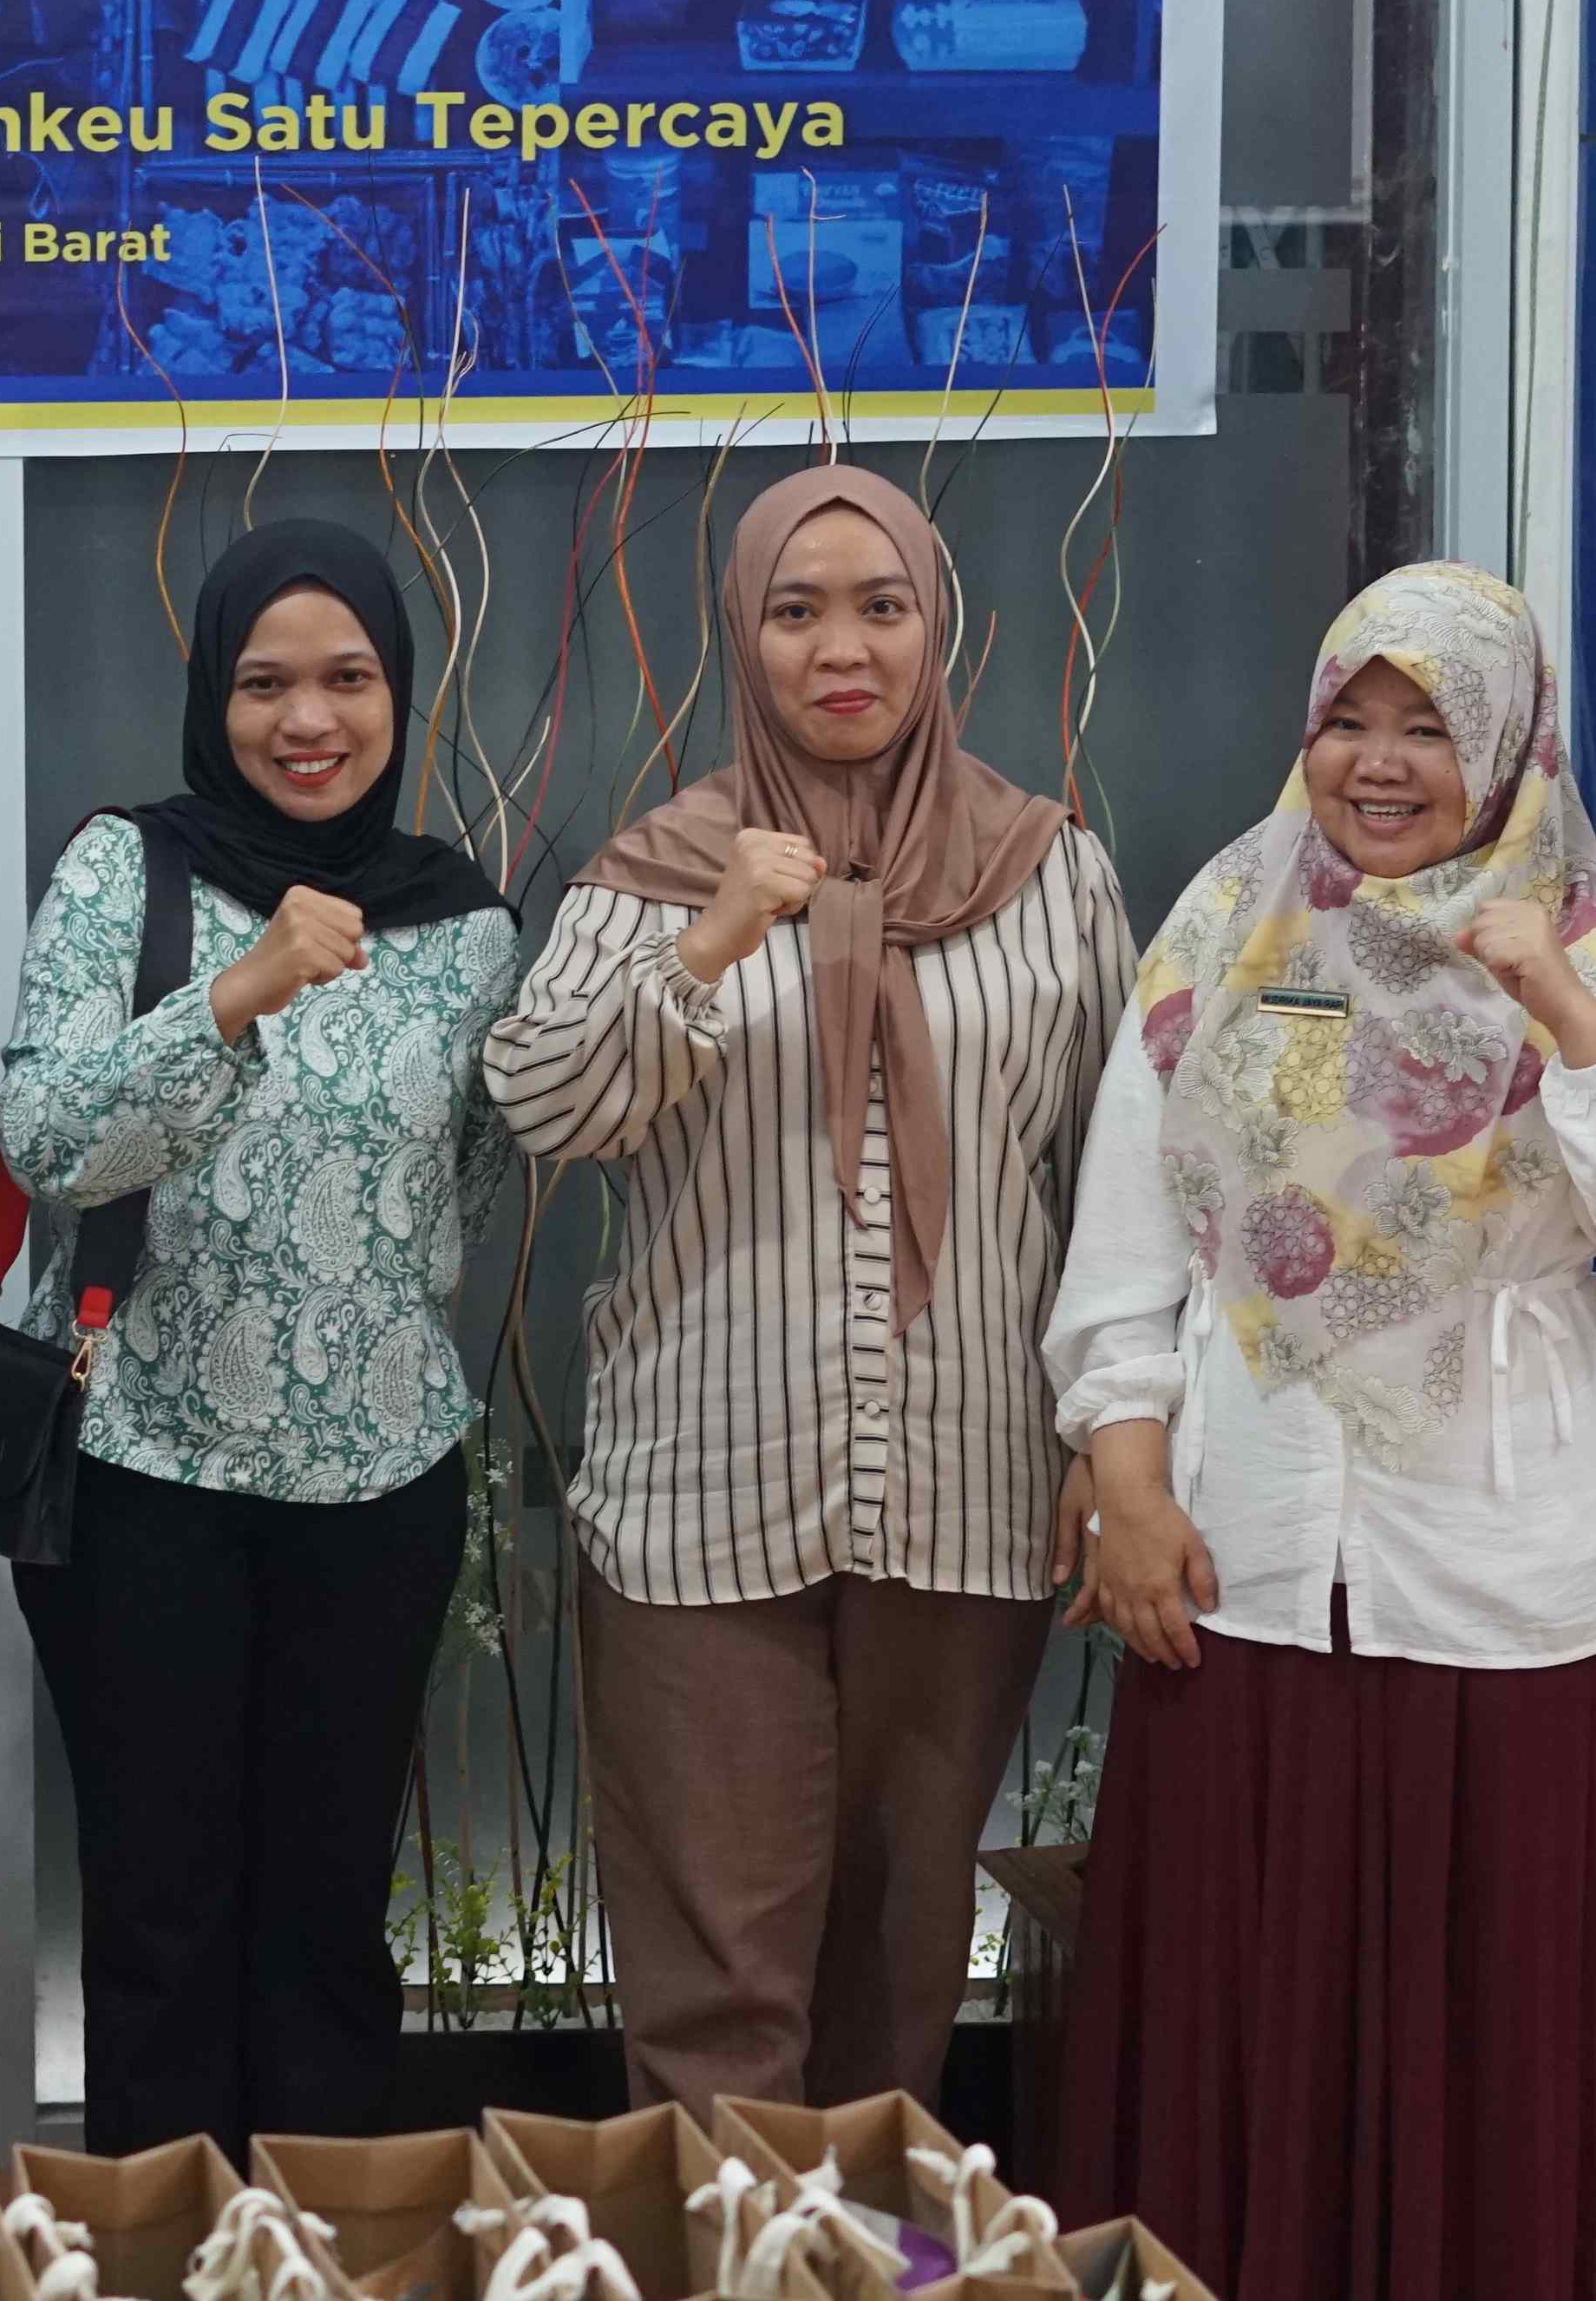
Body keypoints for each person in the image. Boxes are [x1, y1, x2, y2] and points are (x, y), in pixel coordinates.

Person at [1045, 560, 1596, 2301]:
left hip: (1517, 1593)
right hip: (1245, 1573)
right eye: (1349, 719)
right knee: (1242, 2029)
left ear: (1506, 746)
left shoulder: (1593, 941)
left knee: (1497, 2045)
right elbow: (1132, 1234)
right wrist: (1122, 1471)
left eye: (1428, 726)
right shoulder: (1228, 923)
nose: (1379, 762)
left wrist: (1565, 1009)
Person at [483, 462, 1133, 2110]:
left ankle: (859, 2236)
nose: (842, 649)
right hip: (702, 1495)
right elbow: (545, 1106)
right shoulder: (654, 873)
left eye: (880, 606)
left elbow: (1115, 1179)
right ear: (742, 636)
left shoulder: (1050, 871)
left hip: (969, 1488)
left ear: (936, 627)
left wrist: (1112, 1439)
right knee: (720, 1979)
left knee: (904, 1958)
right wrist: (711, 940)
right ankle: (725, 2239)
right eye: (796, 611)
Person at [0, 518, 521, 2156]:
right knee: (159, 1918)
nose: (309, 720)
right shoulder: (126, 869)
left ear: (399, 694)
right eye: (263, 683)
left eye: (348, 679)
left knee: (330, 1915)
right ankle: (164, 2247)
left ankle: (321, 2245)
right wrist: (237, 993)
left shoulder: (466, 924)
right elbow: (47, 1142)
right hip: (143, 1473)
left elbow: (468, 1183)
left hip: (379, 1488)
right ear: (212, 701)